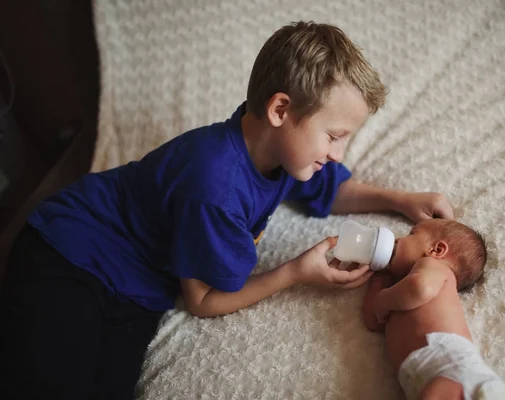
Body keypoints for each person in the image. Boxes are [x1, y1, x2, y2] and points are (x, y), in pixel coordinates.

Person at [0, 21, 453, 399]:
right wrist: (294, 272)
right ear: (281, 109)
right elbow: (203, 300)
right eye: (334, 136)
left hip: (137, 287)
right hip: (70, 252)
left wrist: (401, 200)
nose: (337, 153)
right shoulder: (214, 186)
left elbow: (331, 191)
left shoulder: (272, 146)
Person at [362, 219, 505, 400]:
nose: (399, 239)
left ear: (436, 250)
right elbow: (373, 321)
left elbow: (420, 288)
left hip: (446, 360)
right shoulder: (399, 291)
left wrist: (383, 299)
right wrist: (376, 285)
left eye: (411, 234)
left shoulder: (432, 266)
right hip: (422, 375)